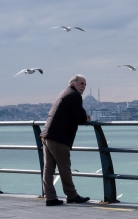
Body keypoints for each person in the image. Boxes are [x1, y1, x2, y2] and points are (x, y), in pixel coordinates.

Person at [40, 74, 91, 206]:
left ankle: (50, 197)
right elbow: (80, 117)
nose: (84, 86)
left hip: (47, 134)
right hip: (58, 136)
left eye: (85, 84)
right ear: (73, 83)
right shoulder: (74, 95)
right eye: (81, 83)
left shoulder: (64, 93)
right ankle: (72, 195)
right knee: (64, 167)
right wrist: (87, 117)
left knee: (48, 168)